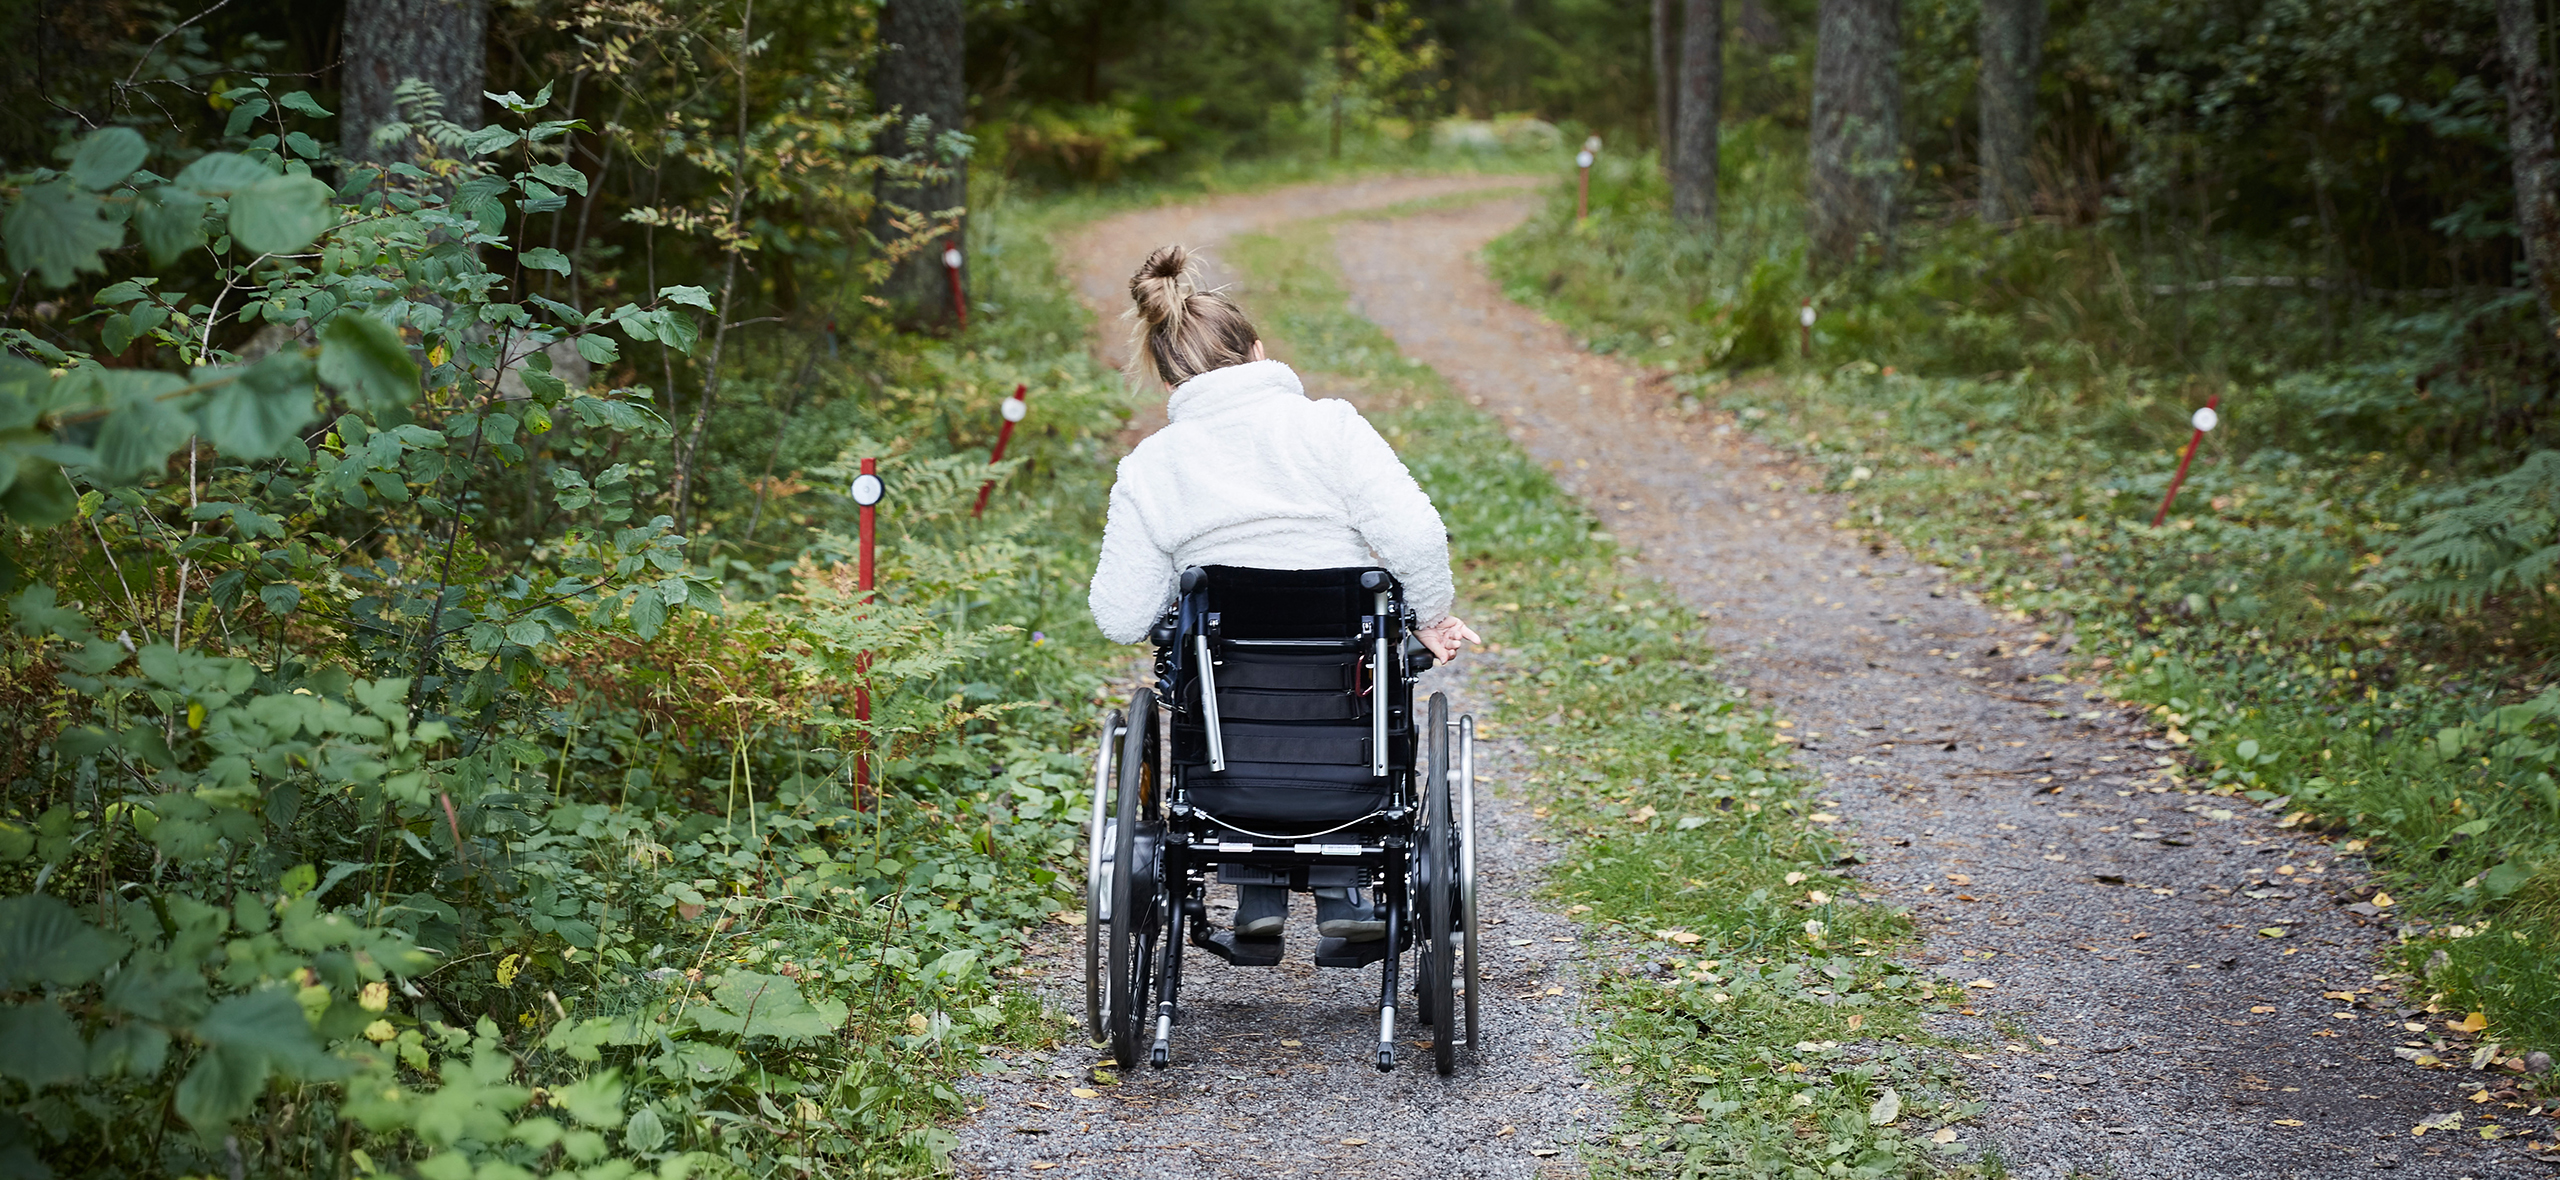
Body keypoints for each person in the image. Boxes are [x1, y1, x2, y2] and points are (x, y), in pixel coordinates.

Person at [1088, 244, 1481, 944]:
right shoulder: (1329, 429)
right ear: (1260, 352)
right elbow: (1417, 536)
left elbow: (1121, 616)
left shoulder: (1153, 466)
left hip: (1224, 746)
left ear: (1169, 376)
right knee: (1348, 675)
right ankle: (1343, 895)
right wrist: (1430, 616)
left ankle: (1257, 892)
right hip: (1346, 697)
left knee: (1223, 671)